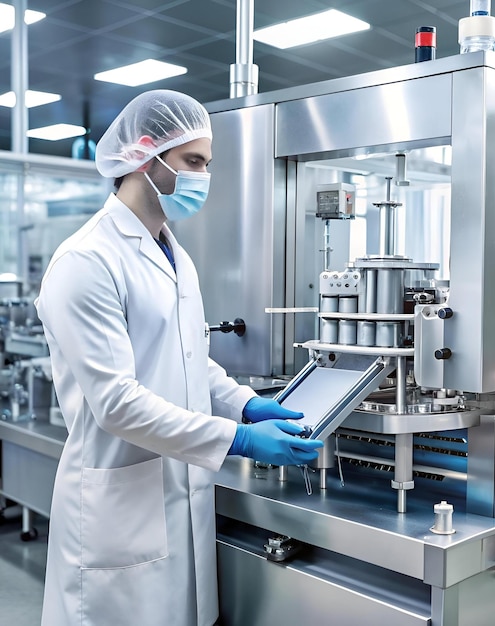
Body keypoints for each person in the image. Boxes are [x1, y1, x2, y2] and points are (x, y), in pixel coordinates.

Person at [35, 89, 323, 626]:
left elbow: (193, 357)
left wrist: (245, 404)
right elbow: (117, 404)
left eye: (207, 164)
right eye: (193, 162)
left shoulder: (175, 253)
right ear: (146, 155)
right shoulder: (86, 261)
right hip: (120, 507)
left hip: (179, 496)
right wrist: (236, 439)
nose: (202, 178)